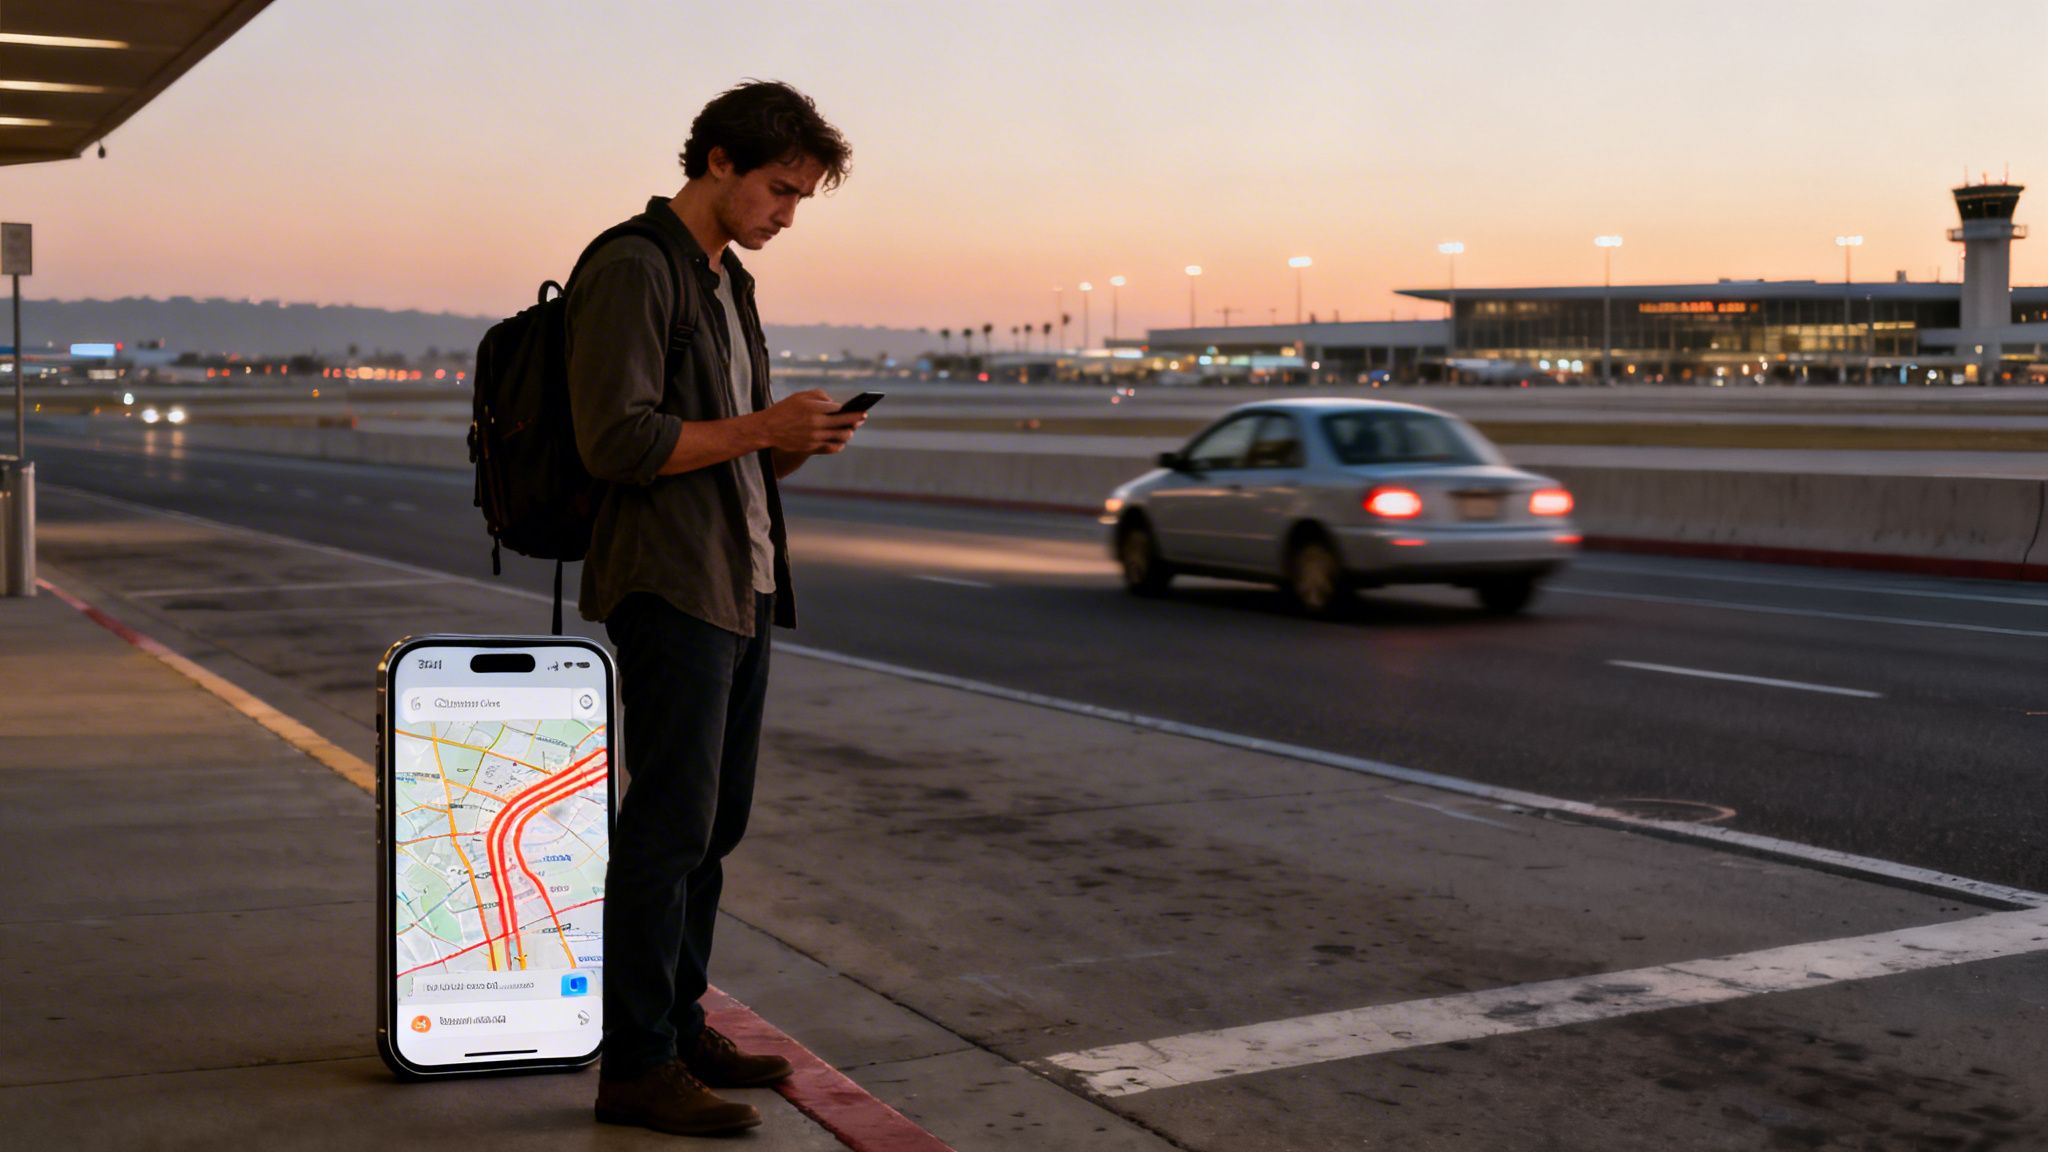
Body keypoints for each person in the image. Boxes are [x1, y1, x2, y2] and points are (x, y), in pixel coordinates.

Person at [565, 80, 859, 1137]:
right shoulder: (634, 269)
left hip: (740, 581)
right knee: (666, 828)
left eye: (801, 200)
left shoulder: (728, 284)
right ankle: (634, 1064)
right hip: (668, 584)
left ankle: (680, 1024)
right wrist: (755, 428)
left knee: (714, 825)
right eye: (778, 190)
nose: (786, 214)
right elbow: (620, 442)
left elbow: (730, 443)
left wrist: (793, 440)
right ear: (720, 162)